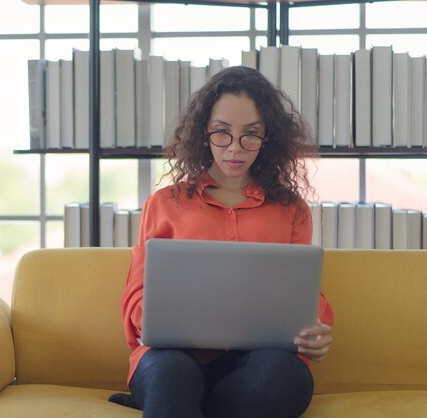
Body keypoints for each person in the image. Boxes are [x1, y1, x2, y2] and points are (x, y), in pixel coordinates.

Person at [110, 66, 334, 418]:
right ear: (204, 133)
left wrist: (314, 329)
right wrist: (154, 316)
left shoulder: (291, 210)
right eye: (222, 133)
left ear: (267, 138)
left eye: (251, 135)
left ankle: (189, 405)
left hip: (252, 366)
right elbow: (136, 296)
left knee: (285, 377)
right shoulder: (165, 203)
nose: (235, 148)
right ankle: (180, 398)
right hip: (173, 359)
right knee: (171, 375)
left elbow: (303, 293)